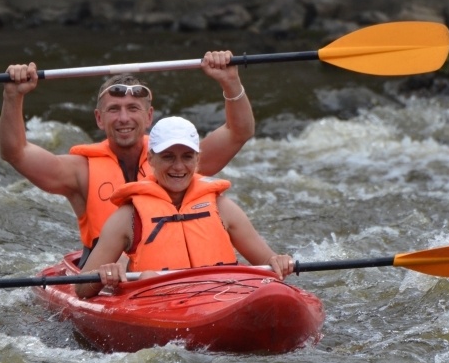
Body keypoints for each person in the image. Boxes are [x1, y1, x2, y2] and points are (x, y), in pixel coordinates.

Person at [0, 51, 254, 264]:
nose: (124, 118)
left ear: (149, 116)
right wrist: (14, 96)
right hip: (106, 274)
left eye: (133, 108)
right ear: (99, 118)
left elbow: (238, 131)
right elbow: (16, 152)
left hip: (168, 272)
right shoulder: (80, 171)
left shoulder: (178, 158)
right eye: (114, 109)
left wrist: (230, 81)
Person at [75, 116, 294, 299]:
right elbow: (81, 288)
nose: (178, 167)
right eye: (168, 157)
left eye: (187, 157)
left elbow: (267, 263)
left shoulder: (222, 207)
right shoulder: (127, 217)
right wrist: (104, 276)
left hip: (222, 298)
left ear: (198, 159)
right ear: (151, 158)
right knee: (147, 277)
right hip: (158, 302)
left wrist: (279, 262)